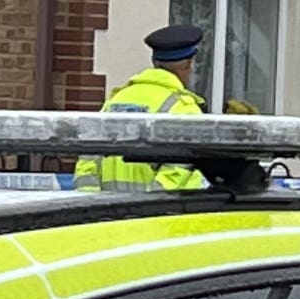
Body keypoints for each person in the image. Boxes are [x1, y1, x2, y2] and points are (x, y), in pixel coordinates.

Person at [76, 24, 208, 191]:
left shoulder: (115, 100)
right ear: (188, 64)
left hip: (106, 213)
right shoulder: (185, 109)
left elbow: (88, 162)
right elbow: (177, 173)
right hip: (152, 214)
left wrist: (93, 206)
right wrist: (145, 208)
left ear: (154, 62)